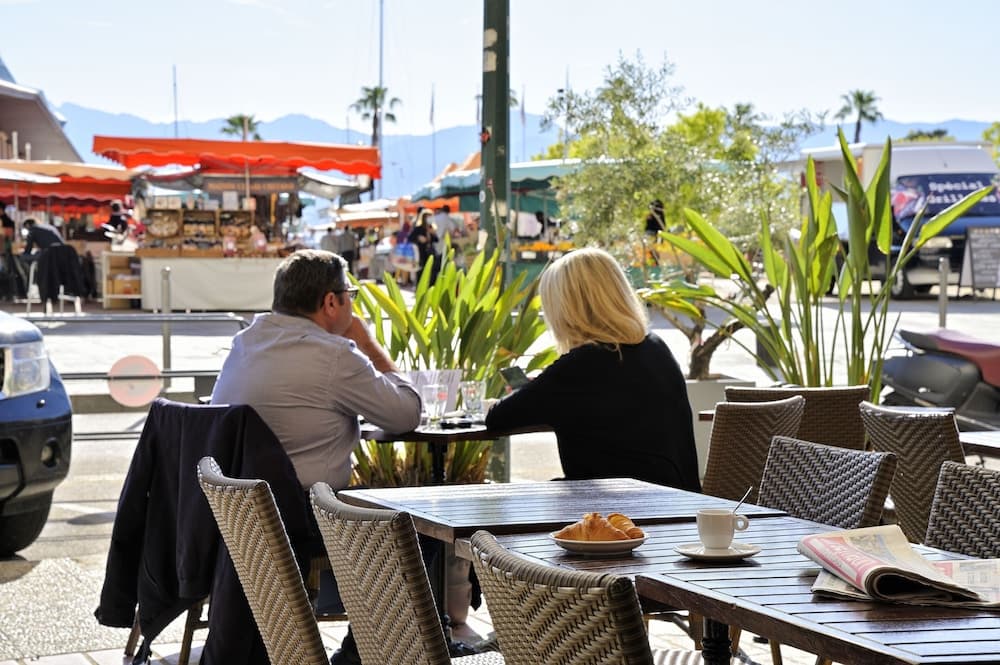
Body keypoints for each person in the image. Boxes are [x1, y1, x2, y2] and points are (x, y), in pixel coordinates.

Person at [211, 249, 421, 665]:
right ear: (330, 302)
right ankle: (362, 657)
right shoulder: (334, 355)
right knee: (415, 533)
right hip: (298, 517)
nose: (352, 304)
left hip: (235, 517)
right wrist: (366, 342)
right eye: (350, 295)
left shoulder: (244, 343)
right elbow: (406, 414)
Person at [485, 247, 701, 492]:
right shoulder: (656, 348)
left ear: (567, 309)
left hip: (619, 507)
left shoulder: (578, 366)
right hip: (680, 499)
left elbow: (498, 418)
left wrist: (538, 386)